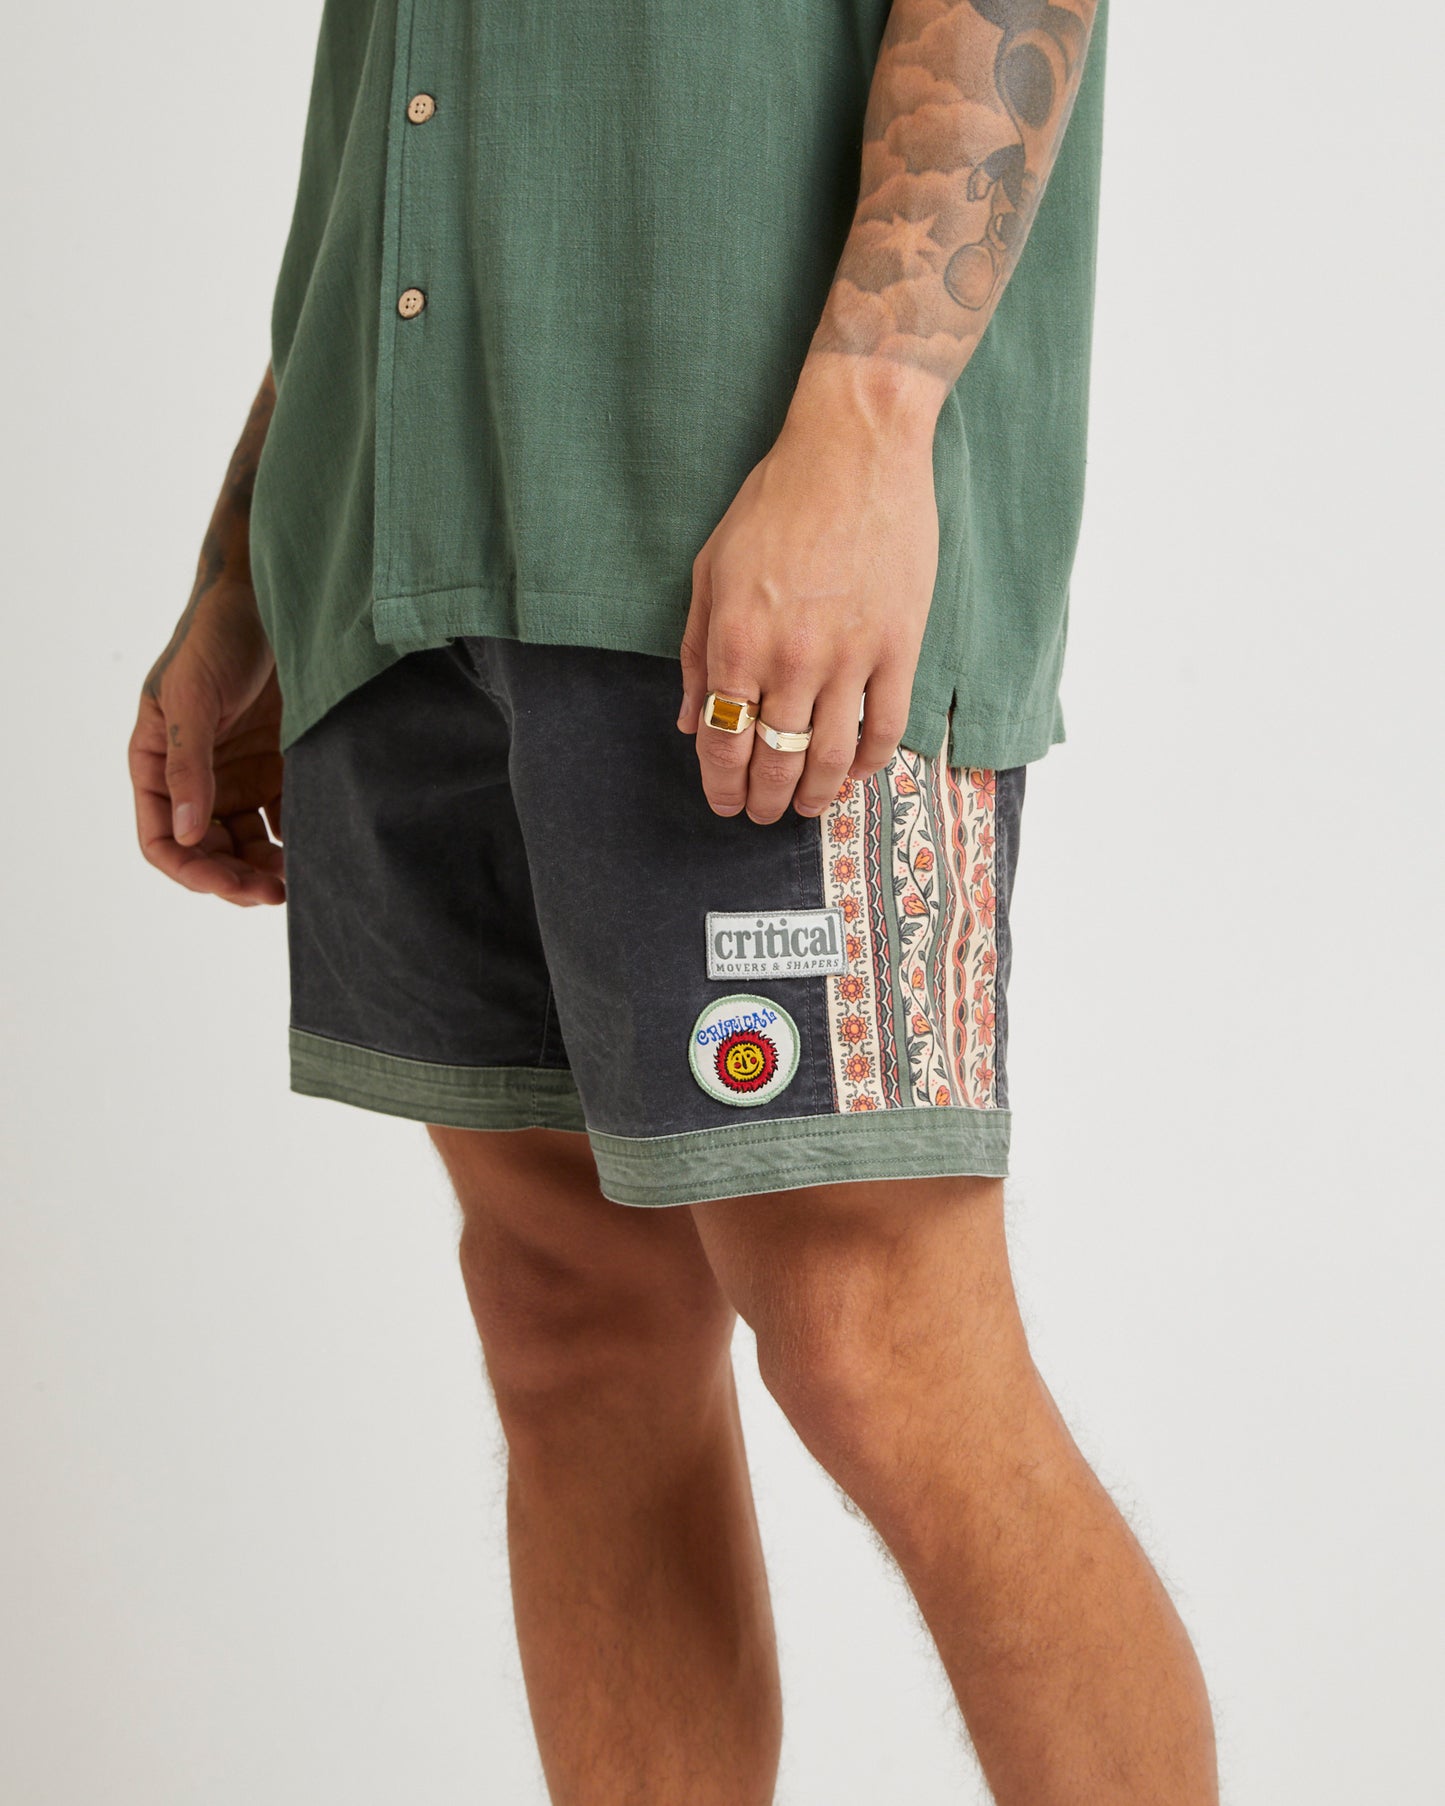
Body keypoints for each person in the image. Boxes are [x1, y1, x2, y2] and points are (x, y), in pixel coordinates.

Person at [129, 2, 1218, 1799]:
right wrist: (248, 565)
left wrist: (871, 418)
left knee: (879, 1344)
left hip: (748, 540)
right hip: (400, 540)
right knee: (570, 1326)